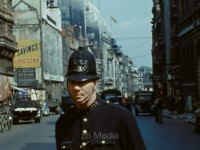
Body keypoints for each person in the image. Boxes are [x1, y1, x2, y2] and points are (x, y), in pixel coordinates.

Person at [55, 46, 146, 150]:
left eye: (82, 82)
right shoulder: (63, 123)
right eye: (72, 82)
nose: (76, 87)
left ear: (95, 84)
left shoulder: (120, 117)